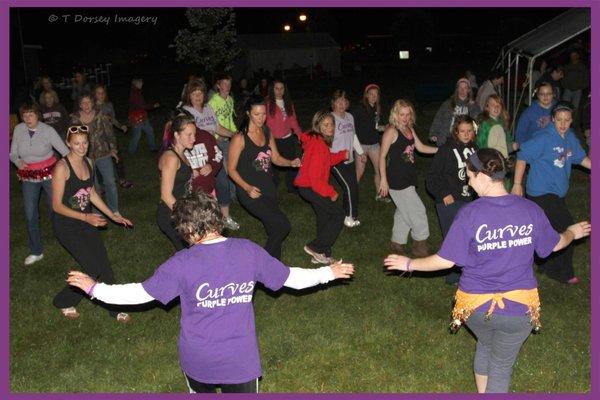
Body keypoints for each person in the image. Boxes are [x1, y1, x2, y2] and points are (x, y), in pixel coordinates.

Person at [66, 190, 354, 393]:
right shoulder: (248, 251)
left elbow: (140, 294)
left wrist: (95, 289)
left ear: (187, 231)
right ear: (217, 219)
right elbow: (291, 277)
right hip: (239, 361)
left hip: (197, 359)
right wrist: (328, 272)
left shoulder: (181, 263)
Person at [385, 148, 591, 393]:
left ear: (482, 176)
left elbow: (445, 260)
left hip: (475, 308)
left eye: (469, 177)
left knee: (486, 343)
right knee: (501, 364)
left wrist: (409, 264)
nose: (469, 183)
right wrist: (572, 232)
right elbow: (555, 243)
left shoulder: (469, 214)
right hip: (519, 309)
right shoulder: (530, 210)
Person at [51, 126, 133, 322]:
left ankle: (115, 308)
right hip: (66, 225)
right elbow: (56, 206)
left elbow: (92, 193)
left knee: (103, 264)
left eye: (85, 143)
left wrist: (113, 215)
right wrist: (86, 217)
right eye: (77, 143)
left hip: (86, 223)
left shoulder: (89, 162)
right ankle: (63, 301)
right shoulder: (62, 168)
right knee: (91, 267)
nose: (81, 147)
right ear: (68, 143)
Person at [512, 101, 591, 284]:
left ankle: (545, 265)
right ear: (553, 119)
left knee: (550, 230)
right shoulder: (544, 137)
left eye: (567, 120)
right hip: (541, 193)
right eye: (559, 120)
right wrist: (517, 184)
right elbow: (522, 155)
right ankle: (562, 272)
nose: (563, 124)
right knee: (568, 227)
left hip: (557, 194)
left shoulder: (570, 138)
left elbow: (581, 158)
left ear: (571, 121)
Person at [228, 95, 301, 260]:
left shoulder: (267, 131)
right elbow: (231, 169)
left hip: (268, 186)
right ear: (248, 113)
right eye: (256, 114)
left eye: (263, 114)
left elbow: (275, 158)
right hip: (250, 191)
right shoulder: (240, 138)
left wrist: (291, 163)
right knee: (283, 226)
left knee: (274, 228)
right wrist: (246, 188)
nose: (261, 118)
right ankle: (263, 263)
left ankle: (274, 266)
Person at [10, 103, 69, 266]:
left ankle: (68, 240)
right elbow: (13, 152)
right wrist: (18, 161)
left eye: (31, 114)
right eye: (24, 115)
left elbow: (64, 151)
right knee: (30, 214)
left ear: (38, 115)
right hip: (29, 177)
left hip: (49, 175)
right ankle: (36, 251)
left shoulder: (48, 131)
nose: (27, 118)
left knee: (56, 209)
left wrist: (72, 167)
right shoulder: (18, 129)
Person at [379, 99, 437, 257]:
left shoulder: (409, 129)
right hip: (396, 179)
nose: (404, 117)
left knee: (403, 211)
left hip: (409, 176)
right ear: (395, 114)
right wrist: (383, 180)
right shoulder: (392, 131)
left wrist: (441, 150)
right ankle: (420, 244)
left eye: (407, 114)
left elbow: (421, 148)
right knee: (418, 210)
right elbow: (382, 156)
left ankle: (396, 242)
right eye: (401, 114)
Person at [426, 115, 477, 284]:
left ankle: (467, 273)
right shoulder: (446, 149)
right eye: (462, 131)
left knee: (470, 238)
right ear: (456, 131)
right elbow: (432, 177)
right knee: (454, 239)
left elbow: (479, 172)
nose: (466, 134)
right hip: (449, 201)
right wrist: (443, 194)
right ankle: (453, 276)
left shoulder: (474, 148)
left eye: (469, 131)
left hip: (468, 200)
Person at [294, 110, 348, 264]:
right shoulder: (318, 144)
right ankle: (315, 247)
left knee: (324, 216)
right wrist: (330, 192)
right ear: (317, 126)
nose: (330, 127)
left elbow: (326, 160)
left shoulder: (318, 142)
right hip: (311, 187)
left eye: (331, 124)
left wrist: (341, 155)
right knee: (338, 214)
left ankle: (322, 254)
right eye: (325, 124)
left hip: (308, 186)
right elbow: (315, 178)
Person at [71, 94, 121, 215]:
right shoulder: (75, 119)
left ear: (93, 103)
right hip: (85, 157)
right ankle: (97, 212)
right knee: (93, 186)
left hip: (103, 153)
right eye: (83, 102)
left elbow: (110, 134)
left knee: (110, 182)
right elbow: (72, 139)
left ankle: (114, 210)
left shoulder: (101, 114)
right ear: (79, 105)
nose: (86, 105)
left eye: (88, 102)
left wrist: (113, 149)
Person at [157, 113, 196, 251]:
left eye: (194, 134)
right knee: (190, 253)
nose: (194, 138)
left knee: (192, 252)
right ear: (177, 135)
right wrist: (185, 219)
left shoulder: (182, 154)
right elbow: (166, 196)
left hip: (182, 210)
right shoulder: (171, 158)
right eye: (189, 135)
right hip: (171, 215)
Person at [208, 73, 240, 230]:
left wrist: (236, 133)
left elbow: (230, 120)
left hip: (228, 139)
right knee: (225, 171)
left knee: (232, 168)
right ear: (218, 86)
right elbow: (213, 124)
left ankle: (233, 196)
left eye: (229, 84)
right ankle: (226, 199)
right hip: (218, 140)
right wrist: (221, 136)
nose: (226, 87)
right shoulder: (213, 102)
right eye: (224, 84)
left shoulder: (230, 100)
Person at [330, 89, 366, 228]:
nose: (341, 103)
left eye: (344, 101)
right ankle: (351, 216)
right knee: (350, 187)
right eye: (338, 101)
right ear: (333, 103)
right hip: (335, 161)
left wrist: (361, 152)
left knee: (352, 187)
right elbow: (324, 139)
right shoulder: (330, 119)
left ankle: (345, 213)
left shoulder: (350, 117)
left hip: (349, 159)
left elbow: (353, 136)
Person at [351, 83, 389, 202]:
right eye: (371, 94)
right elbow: (351, 126)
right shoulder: (359, 108)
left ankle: (380, 195)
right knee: (359, 171)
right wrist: (357, 147)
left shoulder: (377, 109)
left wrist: (385, 128)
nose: (373, 97)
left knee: (379, 170)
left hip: (374, 145)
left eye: (376, 94)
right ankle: (351, 194)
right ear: (366, 95)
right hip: (361, 145)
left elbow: (376, 127)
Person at [265, 79, 302, 194]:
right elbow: (264, 122)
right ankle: (272, 188)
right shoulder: (267, 104)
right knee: (272, 166)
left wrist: (300, 135)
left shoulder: (288, 103)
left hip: (288, 138)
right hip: (273, 140)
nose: (279, 91)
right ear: (272, 89)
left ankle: (292, 187)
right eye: (277, 88)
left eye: (282, 88)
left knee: (293, 163)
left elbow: (292, 120)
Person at [94, 84, 133, 189]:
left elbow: (112, 119)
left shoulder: (109, 105)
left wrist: (121, 126)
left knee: (117, 158)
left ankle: (122, 180)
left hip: (110, 137)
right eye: (98, 93)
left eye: (102, 93)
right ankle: (101, 186)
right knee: (99, 160)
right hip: (99, 139)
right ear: (94, 94)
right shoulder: (92, 107)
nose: (101, 95)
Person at [429, 77, 481, 146]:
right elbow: (438, 118)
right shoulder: (448, 103)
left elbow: (478, 122)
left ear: (468, 90)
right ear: (457, 89)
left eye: (465, 88)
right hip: (446, 139)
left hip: (465, 140)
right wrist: (433, 133)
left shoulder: (474, 105)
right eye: (460, 87)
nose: (462, 90)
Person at [476, 94, 515, 159]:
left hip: (502, 156)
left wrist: (511, 144)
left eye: (498, 105)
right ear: (487, 107)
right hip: (490, 158)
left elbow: (508, 138)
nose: (496, 107)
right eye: (492, 105)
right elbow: (480, 143)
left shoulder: (501, 122)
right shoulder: (485, 124)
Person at [128, 77, 160, 154]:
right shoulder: (135, 94)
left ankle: (152, 147)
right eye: (140, 83)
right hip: (136, 118)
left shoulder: (137, 92)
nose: (142, 84)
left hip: (142, 117)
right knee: (137, 135)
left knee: (150, 131)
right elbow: (143, 106)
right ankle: (131, 151)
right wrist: (153, 106)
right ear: (136, 84)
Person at [561, 50, 589, 118]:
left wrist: (582, 86)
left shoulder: (582, 66)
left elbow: (586, 78)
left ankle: (573, 122)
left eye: (574, 55)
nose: (572, 57)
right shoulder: (567, 66)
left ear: (578, 56)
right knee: (564, 106)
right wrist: (564, 85)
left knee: (575, 108)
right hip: (568, 89)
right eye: (571, 55)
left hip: (578, 90)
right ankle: (564, 118)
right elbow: (563, 76)